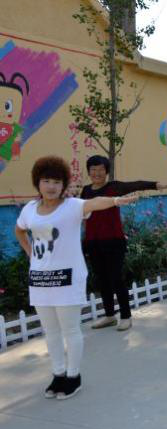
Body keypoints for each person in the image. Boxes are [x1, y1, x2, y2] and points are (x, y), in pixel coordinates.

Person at [15, 155, 139, 400]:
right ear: (38, 183)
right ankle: (58, 374)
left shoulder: (72, 206)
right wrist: (30, 253)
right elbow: (20, 230)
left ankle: (73, 376)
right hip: (40, 279)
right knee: (50, 331)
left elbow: (95, 203)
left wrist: (115, 199)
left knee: (70, 329)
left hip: (67, 277)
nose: (51, 186)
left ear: (64, 185)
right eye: (46, 180)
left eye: (56, 181)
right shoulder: (30, 209)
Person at [81, 155, 167, 331]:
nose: (97, 173)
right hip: (93, 242)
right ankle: (109, 315)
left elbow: (135, 184)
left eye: (100, 169)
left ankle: (125, 316)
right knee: (102, 280)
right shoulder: (85, 191)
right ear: (89, 171)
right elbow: (83, 213)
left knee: (116, 278)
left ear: (106, 171)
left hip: (113, 240)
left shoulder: (113, 187)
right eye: (93, 169)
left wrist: (155, 185)